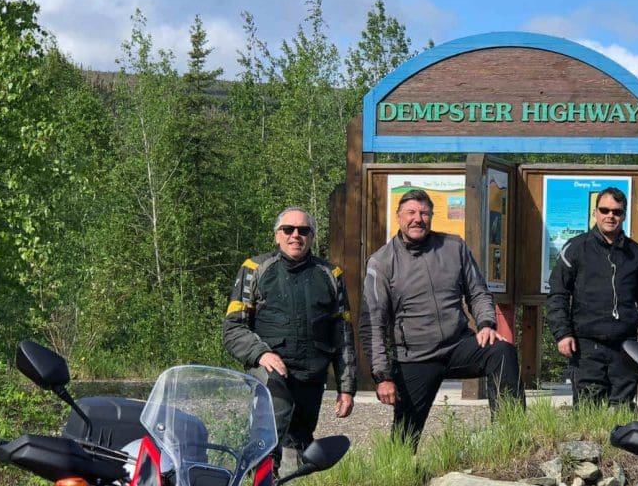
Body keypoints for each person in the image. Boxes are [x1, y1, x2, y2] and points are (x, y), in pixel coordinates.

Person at [360, 189, 524, 447]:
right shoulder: (381, 262)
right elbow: (372, 324)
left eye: (424, 213)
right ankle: (398, 479)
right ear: (399, 217)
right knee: (403, 442)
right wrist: (382, 376)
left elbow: (478, 292)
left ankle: (509, 438)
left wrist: (485, 324)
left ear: (432, 217)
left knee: (501, 351)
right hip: (415, 356)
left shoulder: (453, 246)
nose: (418, 219)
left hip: (457, 345)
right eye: (411, 213)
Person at [223, 207, 356, 469]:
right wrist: (262, 353)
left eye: (304, 230)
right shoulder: (255, 269)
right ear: (277, 235)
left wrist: (347, 387)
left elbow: (343, 336)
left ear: (312, 237)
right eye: (288, 230)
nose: (296, 236)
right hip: (271, 373)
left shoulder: (331, 275)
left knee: (302, 443)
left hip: (311, 375)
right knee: (271, 431)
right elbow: (233, 329)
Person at [546, 187, 638, 406]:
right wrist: (562, 333)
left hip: (626, 347)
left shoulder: (636, 254)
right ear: (595, 213)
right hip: (585, 346)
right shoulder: (575, 248)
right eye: (605, 210)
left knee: (622, 414)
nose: (610, 216)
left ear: (624, 215)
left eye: (617, 212)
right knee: (586, 413)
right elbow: (558, 294)